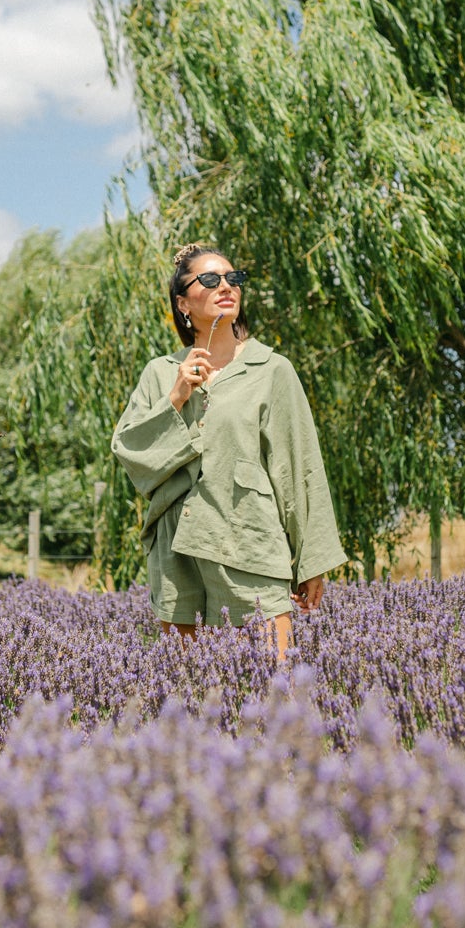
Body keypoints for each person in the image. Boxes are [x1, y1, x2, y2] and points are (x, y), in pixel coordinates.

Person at [111, 243, 346, 657]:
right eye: (209, 280)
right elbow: (131, 452)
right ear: (182, 302)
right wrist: (177, 396)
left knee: (272, 691)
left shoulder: (272, 369)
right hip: (176, 554)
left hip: (250, 545)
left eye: (233, 278)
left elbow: (299, 466)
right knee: (188, 697)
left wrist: (311, 560)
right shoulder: (160, 373)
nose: (226, 286)